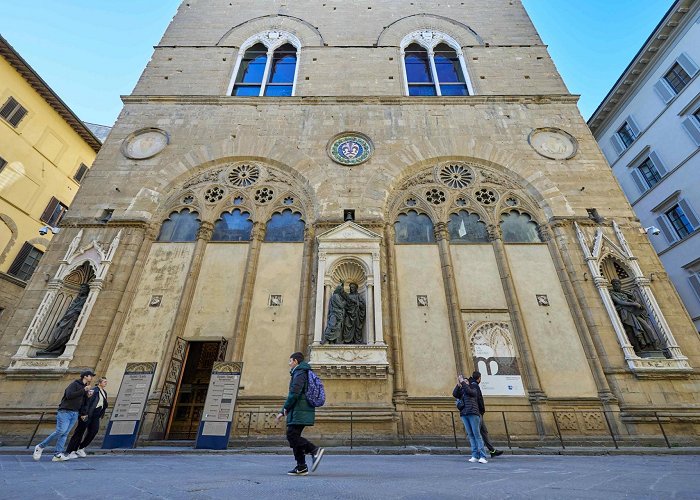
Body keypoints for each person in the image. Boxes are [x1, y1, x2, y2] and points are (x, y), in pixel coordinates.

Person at [275, 352, 325, 475]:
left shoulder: (300, 373)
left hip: (299, 409)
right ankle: (301, 466)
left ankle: (314, 450)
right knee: (294, 437)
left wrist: (284, 410)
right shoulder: (300, 372)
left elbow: (294, 393)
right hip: (298, 409)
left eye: (290, 361)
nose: (289, 363)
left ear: (296, 361)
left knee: (292, 435)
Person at [33, 369, 95, 462]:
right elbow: (69, 395)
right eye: (90, 375)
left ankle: (57, 454)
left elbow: (83, 402)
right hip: (65, 411)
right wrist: (83, 390)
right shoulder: (75, 384)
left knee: (65, 433)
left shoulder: (86, 388)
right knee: (61, 431)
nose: (92, 377)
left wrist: (84, 409)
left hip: (75, 413)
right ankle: (40, 447)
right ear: (85, 376)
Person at [609, 279, 660, 352]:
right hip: (625, 314)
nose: (616, 285)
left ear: (620, 284)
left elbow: (631, 299)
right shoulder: (612, 294)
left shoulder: (624, 294)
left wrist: (635, 303)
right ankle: (638, 349)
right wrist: (634, 304)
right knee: (631, 331)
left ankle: (655, 346)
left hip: (634, 313)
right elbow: (620, 302)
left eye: (617, 283)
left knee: (647, 327)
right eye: (614, 284)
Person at [65, 377, 108, 458]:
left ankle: (81, 448)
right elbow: (87, 402)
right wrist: (83, 413)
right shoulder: (94, 390)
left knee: (94, 431)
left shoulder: (104, 392)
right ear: (99, 383)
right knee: (79, 432)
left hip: (96, 415)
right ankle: (71, 451)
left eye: (106, 382)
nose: (106, 383)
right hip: (87, 414)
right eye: (104, 382)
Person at [453, 373, 488, 464]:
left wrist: (463, 383)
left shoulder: (473, 389)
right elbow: (454, 394)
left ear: (468, 383)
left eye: (466, 381)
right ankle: (475, 455)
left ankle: (483, 456)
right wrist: (458, 384)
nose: (464, 382)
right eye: (463, 381)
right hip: (464, 414)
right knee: (471, 435)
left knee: (477, 435)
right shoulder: (462, 392)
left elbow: (469, 391)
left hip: (473, 413)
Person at [470, 371, 503, 458]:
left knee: (484, 431)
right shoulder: (474, 386)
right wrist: (481, 410)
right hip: (477, 412)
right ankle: (477, 453)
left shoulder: (473, 385)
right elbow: (478, 399)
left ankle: (492, 450)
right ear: (479, 378)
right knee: (476, 433)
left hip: (478, 412)